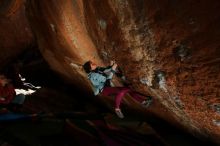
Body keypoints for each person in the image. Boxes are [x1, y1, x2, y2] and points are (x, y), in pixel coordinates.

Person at [83, 60, 152, 119]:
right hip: (104, 90)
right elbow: (106, 78)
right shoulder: (93, 75)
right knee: (121, 91)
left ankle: (143, 102)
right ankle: (117, 108)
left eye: (92, 62)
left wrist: (111, 66)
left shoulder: (97, 69)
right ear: (90, 69)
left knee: (128, 89)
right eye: (92, 64)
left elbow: (106, 70)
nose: (94, 63)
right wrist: (112, 70)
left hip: (107, 87)